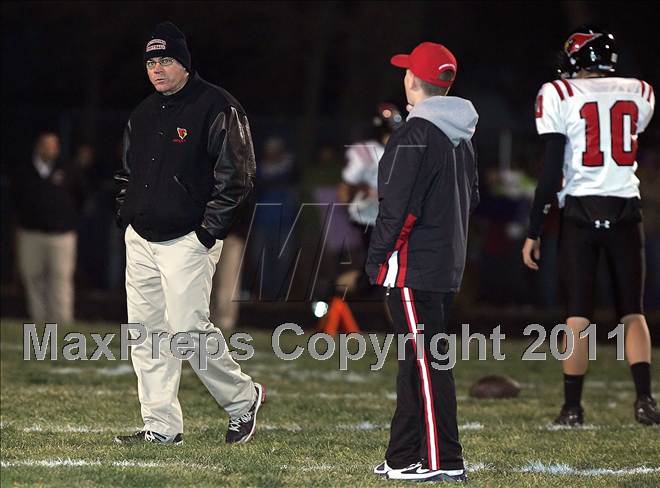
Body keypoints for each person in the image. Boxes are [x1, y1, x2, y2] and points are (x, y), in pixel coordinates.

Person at [113, 21, 264, 445]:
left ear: (184, 62)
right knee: (146, 334)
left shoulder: (217, 106)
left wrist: (206, 233)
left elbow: (238, 176)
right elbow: (126, 173)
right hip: (142, 238)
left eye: (166, 60)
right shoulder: (143, 113)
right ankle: (161, 426)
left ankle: (242, 398)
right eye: (151, 63)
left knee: (188, 331)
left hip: (187, 240)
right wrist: (126, 216)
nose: (157, 69)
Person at [522, 25, 659, 426]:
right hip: (625, 209)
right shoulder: (640, 91)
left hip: (580, 211)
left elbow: (551, 171)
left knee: (578, 315)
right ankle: (645, 400)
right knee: (632, 311)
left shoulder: (559, 93)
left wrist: (534, 228)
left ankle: (572, 408)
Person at [366, 42, 479, 482]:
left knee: (427, 365)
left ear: (413, 79)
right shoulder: (460, 135)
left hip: (413, 265)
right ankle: (402, 455)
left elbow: (398, 209)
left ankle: (442, 460)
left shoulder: (415, 133)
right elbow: (471, 200)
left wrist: (378, 258)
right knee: (416, 362)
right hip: (444, 263)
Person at [12, 132, 83, 324]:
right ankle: (39, 321)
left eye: (54, 145)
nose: (50, 149)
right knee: (33, 278)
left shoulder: (67, 169)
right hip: (31, 234)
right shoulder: (24, 171)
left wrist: (67, 219)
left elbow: (80, 197)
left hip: (61, 235)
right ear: (38, 146)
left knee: (61, 279)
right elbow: (15, 200)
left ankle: (62, 322)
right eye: (46, 145)